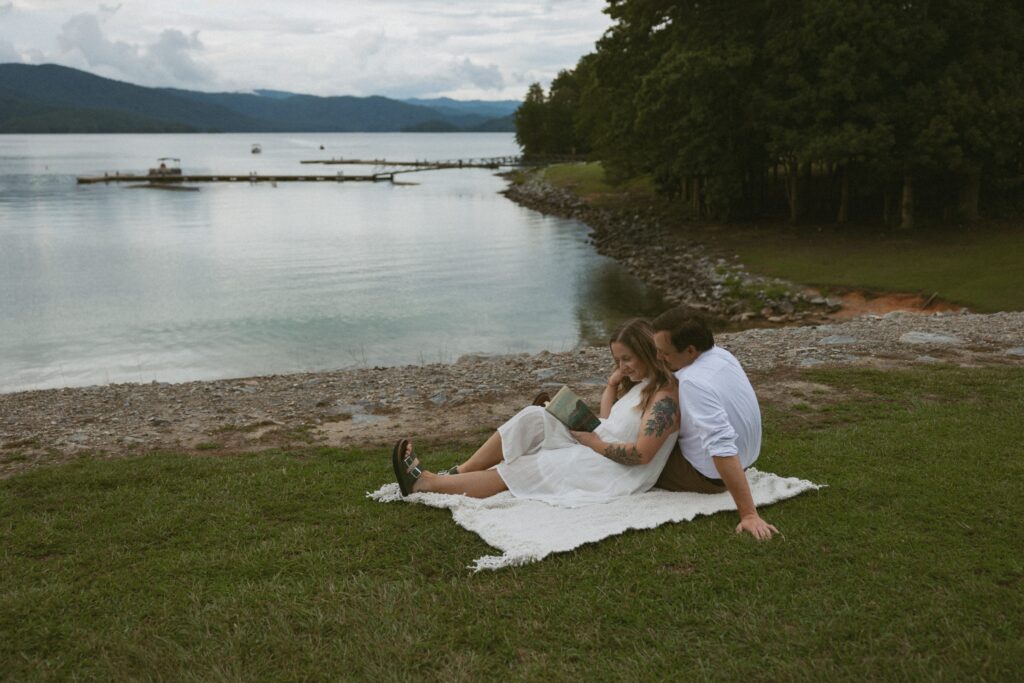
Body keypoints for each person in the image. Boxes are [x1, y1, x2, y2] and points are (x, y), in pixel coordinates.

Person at [391, 319, 680, 506]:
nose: (622, 367)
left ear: (647, 351)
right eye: (618, 360)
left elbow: (642, 455)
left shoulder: (665, 399)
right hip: (599, 446)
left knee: (529, 467)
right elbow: (609, 423)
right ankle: (463, 471)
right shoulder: (641, 385)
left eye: (626, 359)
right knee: (534, 416)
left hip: (615, 471)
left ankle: (426, 483)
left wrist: (592, 443)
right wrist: (611, 387)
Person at [651, 307, 780, 540]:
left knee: (637, 457)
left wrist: (749, 514)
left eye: (664, 353)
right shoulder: (722, 356)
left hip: (708, 477)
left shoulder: (693, 382)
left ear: (690, 350)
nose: (659, 357)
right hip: (746, 461)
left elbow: (721, 446)